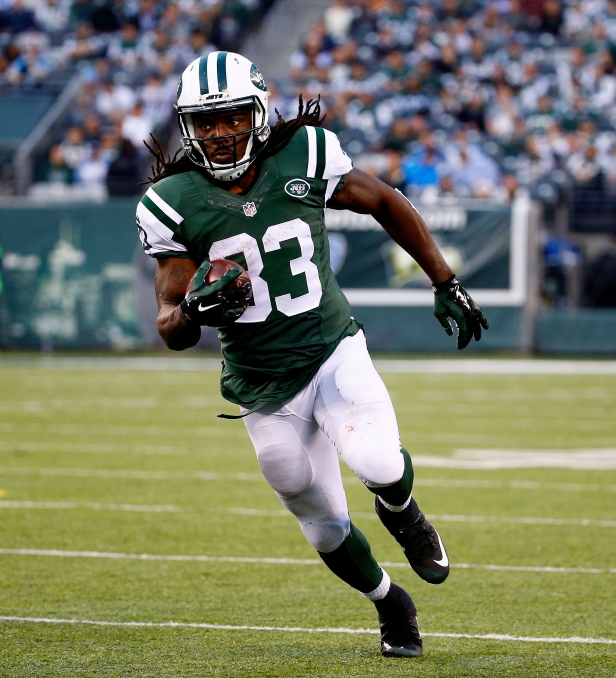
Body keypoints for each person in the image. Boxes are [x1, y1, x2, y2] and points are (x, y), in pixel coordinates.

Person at [139, 52, 488, 658]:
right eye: (207, 121)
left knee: (378, 462)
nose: (221, 133)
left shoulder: (306, 156)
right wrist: (194, 310)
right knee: (309, 503)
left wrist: (444, 279)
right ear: (189, 127)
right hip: (260, 383)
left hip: (330, 349)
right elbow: (171, 324)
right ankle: (389, 602)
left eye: (231, 118)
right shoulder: (172, 202)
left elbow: (383, 199)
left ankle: (403, 511)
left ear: (258, 112)